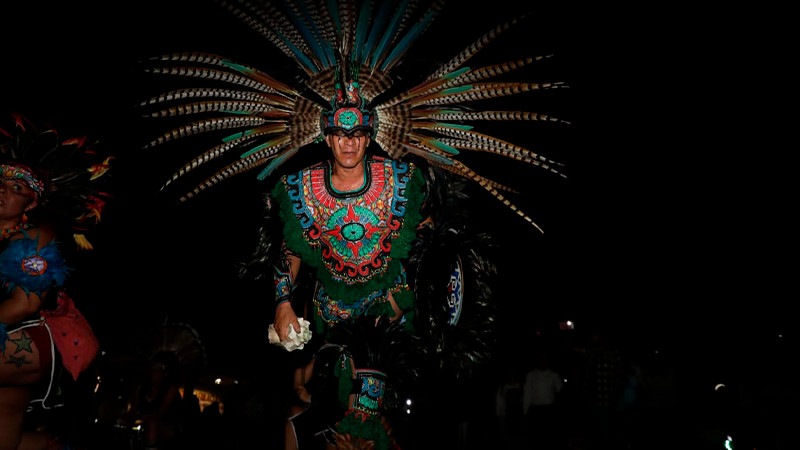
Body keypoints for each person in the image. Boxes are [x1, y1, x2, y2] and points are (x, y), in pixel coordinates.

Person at [0, 113, 111, 450]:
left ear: (31, 203)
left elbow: (26, 302)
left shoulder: (34, 236)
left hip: (29, 340)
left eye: (16, 189)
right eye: (0, 185)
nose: (3, 193)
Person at [129, 352, 184, 450]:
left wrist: (140, 416)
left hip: (168, 425)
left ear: (165, 373)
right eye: (152, 369)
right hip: (142, 424)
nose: (154, 373)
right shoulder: (141, 388)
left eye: (158, 370)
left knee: (152, 425)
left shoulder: (171, 389)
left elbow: (161, 413)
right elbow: (133, 409)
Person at [522, 350, 564, 449]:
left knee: (550, 439)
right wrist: (524, 413)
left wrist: (560, 411)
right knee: (536, 439)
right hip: (535, 411)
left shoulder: (554, 375)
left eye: (545, 358)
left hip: (550, 410)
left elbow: (561, 393)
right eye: (541, 358)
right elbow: (527, 395)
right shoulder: (531, 375)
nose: (543, 361)